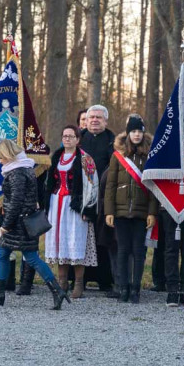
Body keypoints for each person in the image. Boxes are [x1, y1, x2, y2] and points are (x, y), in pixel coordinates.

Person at [0, 139, 70, 309]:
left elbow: (16, 201)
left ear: (8, 156)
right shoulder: (25, 168)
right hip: (23, 220)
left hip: (18, 223)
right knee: (3, 253)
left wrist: (6, 225)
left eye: (1, 158)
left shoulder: (16, 173)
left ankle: (57, 291)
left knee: (31, 258)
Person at [40, 125, 100, 299]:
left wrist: (88, 208)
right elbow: (48, 182)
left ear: (77, 139)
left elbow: (92, 185)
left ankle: (79, 283)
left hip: (75, 205)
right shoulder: (56, 156)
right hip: (56, 201)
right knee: (60, 242)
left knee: (76, 241)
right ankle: (62, 282)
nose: (67, 139)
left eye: (70, 136)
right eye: (64, 136)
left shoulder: (85, 159)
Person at [105, 116, 158, 303]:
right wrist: (109, 211)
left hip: (141, 212)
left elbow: (153, 187)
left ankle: (136, 288)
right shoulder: (118, 156)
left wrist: (152, 212)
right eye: (134, 131)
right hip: (120, 212)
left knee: (138, 252)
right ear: (128, 133)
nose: (137, 135)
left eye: (139, 131)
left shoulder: (150, 155)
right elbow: (110, 185)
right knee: (122, 250)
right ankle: (123, 287)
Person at [79, 104, 116, 293]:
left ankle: (105, 280)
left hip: (104, 198)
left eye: (98, 118)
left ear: (105, 121)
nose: (94, 120)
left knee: (103, 240)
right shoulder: (78, 139)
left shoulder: (113, 141)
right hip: (81, 198)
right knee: (81, 240)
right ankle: (79, 279)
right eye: (91, 117)